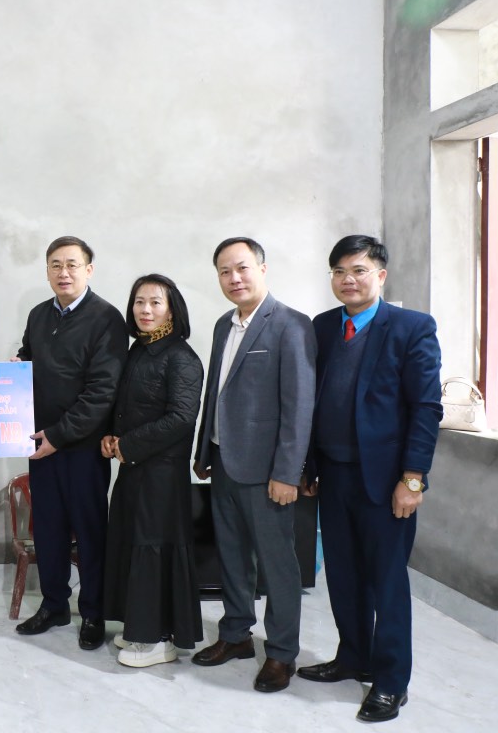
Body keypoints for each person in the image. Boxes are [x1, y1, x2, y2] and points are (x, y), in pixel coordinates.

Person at [297, 235, 442, 723]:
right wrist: (310, 467)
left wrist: (413, 479)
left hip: (386, 482)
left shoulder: (411, 328)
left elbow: (426, 407)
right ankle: (352, 657)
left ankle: (391, 680)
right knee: (342, 574)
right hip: (333, 475)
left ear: (380, 275)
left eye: (358, 270)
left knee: (386, 581)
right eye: (339, 271)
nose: (348, 280)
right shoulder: (322, 326)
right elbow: (314, 401)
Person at [191, 237, 315, 693]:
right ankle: (236, 634)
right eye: (224, 271)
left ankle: (281, 653)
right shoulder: (223, 325)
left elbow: (299, 406)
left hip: (267, 473)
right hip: (224, 461)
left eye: (242, 268)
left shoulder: (291, 325)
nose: (234, 278)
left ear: (262, 268)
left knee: (277, 565)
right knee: (232, 557)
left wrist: (287, 472)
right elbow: (216, 393)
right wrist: (204, 451)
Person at [13, 236, 127, 650]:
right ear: (47, 271)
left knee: (90, 531)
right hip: (40, 444)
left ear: (88, 270)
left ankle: (93, 612)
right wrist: (14, 371)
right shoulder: (39, 315)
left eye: (72, 265)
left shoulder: (107, 319)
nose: (64, 273)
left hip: (81, 448)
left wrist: (59, 436)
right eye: (55, 265)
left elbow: (102, 392)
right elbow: (28, 357)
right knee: (48, 528)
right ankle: (54, 605)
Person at [102, 274, 204, 668]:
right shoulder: (139, 350)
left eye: (155, 302)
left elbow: (181, 418)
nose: (145, 310)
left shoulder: (181, 357)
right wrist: (111, 436)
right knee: (133, 543)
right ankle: (139, 627)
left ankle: (159, 638)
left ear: (172, 310)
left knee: (154, 548)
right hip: (133, 469)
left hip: (162, 473)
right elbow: (125, 406)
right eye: (139, 302)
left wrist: (127, 445)